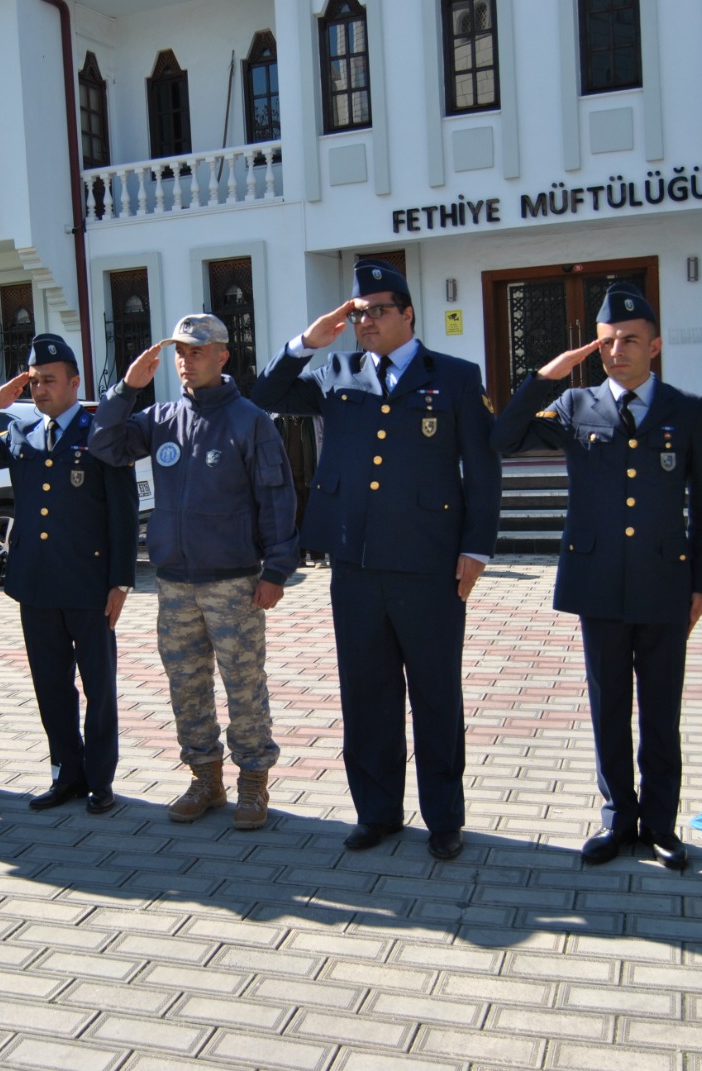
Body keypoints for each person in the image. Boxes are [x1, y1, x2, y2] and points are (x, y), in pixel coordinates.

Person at [251, 259, 499, 860]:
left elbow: (484, 470)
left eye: (378, 311)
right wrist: (309, 341)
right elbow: (264, 393)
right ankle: (377, 811)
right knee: (367, 693)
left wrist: (476, 547)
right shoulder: (336, 372)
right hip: (355, 562)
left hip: (430, 563)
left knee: (435, 695)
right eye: (357, 312)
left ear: (408, 314)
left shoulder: (458, 378)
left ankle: (444, 818)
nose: (365, 321)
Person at [491, 282, 702, 870]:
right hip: (598, 581)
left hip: (665, 581)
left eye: (631, 340)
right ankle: (618, 817)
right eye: (607, 342)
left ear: (655, 345)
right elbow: (503, 438)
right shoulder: (574, 407)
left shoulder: (687, 410)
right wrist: (549, 375)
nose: (618, 350)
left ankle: (662, 825)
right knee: (609, 706)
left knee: (661, 710)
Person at [89, 314, 298, 831]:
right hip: (174, 581)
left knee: (244, 684)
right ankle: (205, 776)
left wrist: (277, 568)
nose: (187, 362)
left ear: (223, 356)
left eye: (197, 351)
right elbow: (105, 445)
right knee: (185, 683)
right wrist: (127, 388)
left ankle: (253, 780)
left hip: (233, 582)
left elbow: (277, 498)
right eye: (180, 353)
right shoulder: (160, 416)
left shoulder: (252, 420)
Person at [0, 333, 138, 815]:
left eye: (49, 381)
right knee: (51, 687)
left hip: (89, 586)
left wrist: (121, 580)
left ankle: (100, 780)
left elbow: (123, 510)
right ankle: (64, 774)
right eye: (33, 381)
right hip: (35, 585)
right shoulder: (19, 434)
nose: (40, 389)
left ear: (75, 382)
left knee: (99, 689)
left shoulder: (99, 433)